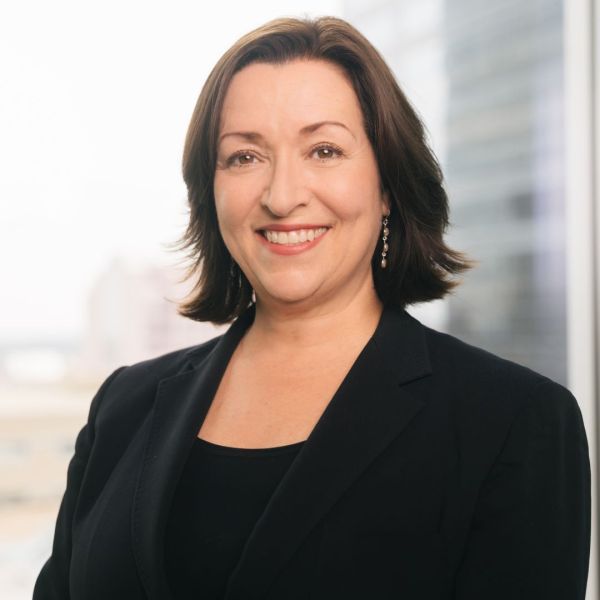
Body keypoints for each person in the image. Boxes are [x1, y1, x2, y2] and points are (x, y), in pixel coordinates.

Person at [34, 15, 590, 600]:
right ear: (211, 191)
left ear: (387, 188)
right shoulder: (123, 409)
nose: (281, 195)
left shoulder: (513, 423)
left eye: (324, 150)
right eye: (244, 157)